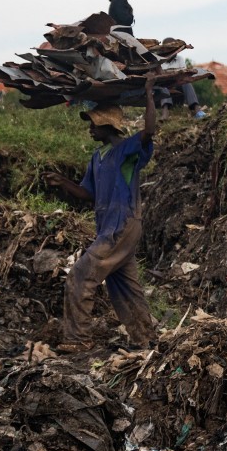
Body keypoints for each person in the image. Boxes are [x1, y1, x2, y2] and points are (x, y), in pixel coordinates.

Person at [43, 77, 158, 352]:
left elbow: (150, 130)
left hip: (122, 225)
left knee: (81, 275)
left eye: (93, 123)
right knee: (124, 287)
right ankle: (147, 340)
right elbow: (88, 193)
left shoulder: (127, 151)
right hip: (108, 227)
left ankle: (78, 339)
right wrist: (62, 182)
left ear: (107, 124)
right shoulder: (98, 157)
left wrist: (149, 94)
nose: (89, 128)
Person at [159, 37, 206, 120]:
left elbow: (183, 75)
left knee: (187, 83)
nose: (174, 52)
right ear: (164, 50)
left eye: (175, 49)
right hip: (163, 91)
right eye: (170, 49)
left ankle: (197, 110)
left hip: (178, 89)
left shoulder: (180, 59)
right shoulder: (159, 61)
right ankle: (165, 113)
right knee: (164, 86)